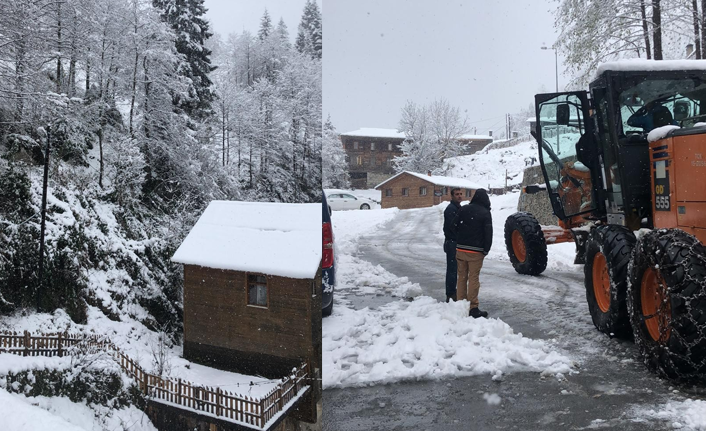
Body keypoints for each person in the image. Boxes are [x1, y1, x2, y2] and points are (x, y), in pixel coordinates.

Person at [453, 189, 492, 318]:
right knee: (473, 278)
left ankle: (460, 303)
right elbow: (488, 233)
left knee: (462, 277)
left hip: (460, 249)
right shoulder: (485, 213)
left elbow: (455, 225)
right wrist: (486, 249)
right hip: (475, 251)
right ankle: (473, 307)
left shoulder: (463, 209)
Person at [443, 188, 464, 302]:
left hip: (455, 242)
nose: (459, 196)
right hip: (452, 243)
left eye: (461, 194)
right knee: (452, 269)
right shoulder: (451, 209)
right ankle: (450, 294)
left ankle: (454, 292)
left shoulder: (458, 208)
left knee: (455, 269)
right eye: (457, 194)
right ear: (452, 196)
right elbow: (452, 228)